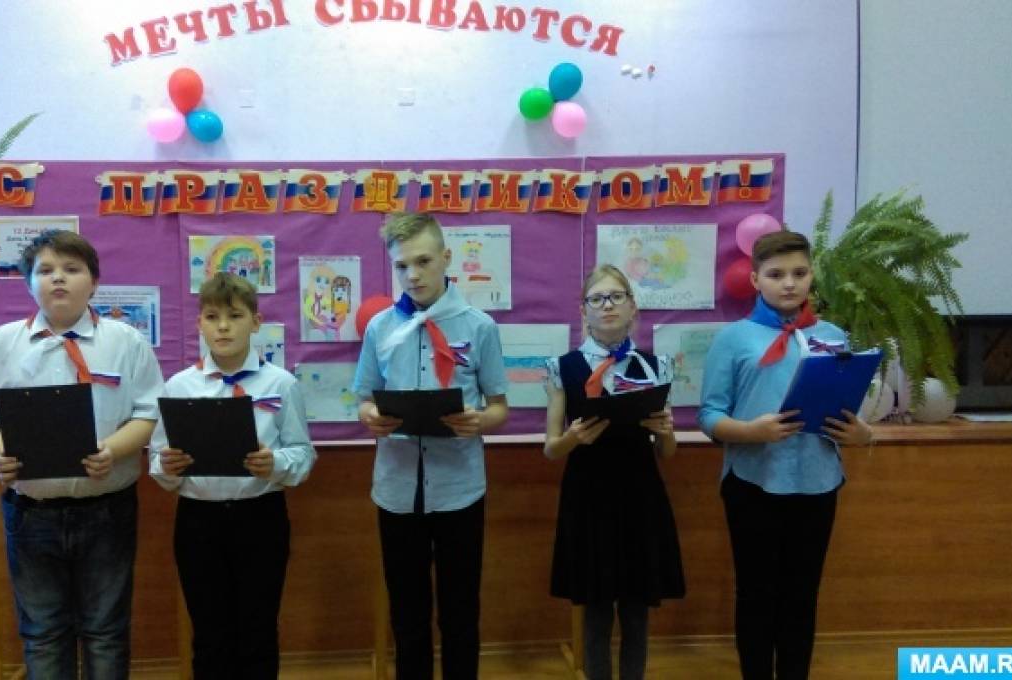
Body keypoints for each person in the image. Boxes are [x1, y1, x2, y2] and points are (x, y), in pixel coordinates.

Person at [0, 229, 164, 679]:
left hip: (108, 509)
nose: (58, 278)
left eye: (71, 269)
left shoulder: (127, 342)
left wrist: (113, 450)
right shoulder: (0, 345)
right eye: (45, 270)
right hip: (31, 513)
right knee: (43, 632)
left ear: (94, 282)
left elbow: (149, 414)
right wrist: (0, 453)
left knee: (106, 630)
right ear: (28, 283)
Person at [698, 230, 873, 680]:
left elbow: (850, 408)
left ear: (812, 275)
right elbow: (709, 415)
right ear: (755, 279)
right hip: (753, 483)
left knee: (802, 596)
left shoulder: (833, 337)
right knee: (756, 595)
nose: (790, 283)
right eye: (776, 274)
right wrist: (750, 431)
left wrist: (862, 434)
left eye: (799, 273)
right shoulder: (733, 338)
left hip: (817, 481)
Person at [352, 212, 509, 680]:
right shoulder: (380, 327)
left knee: (460, 611)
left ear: (446, 258)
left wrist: (479, 421)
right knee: (407, 613)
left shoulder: (479, 326)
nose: (413, 275)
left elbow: (499, 407)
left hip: (459, 488)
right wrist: (371, 417)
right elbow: (363, 399)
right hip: (397, 489)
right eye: (402, 266)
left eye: (423, 261)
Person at [149, 272, 316, 679]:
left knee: (258, 628)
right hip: (198, 520)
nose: (223, 327)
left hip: (260, 516)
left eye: (235, 316)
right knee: (209, 632)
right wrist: (166, 467)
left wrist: (275, 464)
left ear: (255, 323)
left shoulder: (281, 383)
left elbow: (303, 452)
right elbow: (157, 456)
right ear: (199, 324)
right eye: (212, 317)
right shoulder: (179, 386)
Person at [543, 264, 684, 680]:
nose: (607, 306)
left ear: (632, 307)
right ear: (583, 310)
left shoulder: (655, 366)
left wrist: (667, 432)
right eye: (597, 299)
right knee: (597, 609)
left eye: (616, 297)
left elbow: (667, 452)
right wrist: (573, 437)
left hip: (640, 495)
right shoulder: (563, 366)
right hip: (588, 496)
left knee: (637, 609)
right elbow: (551, 448)